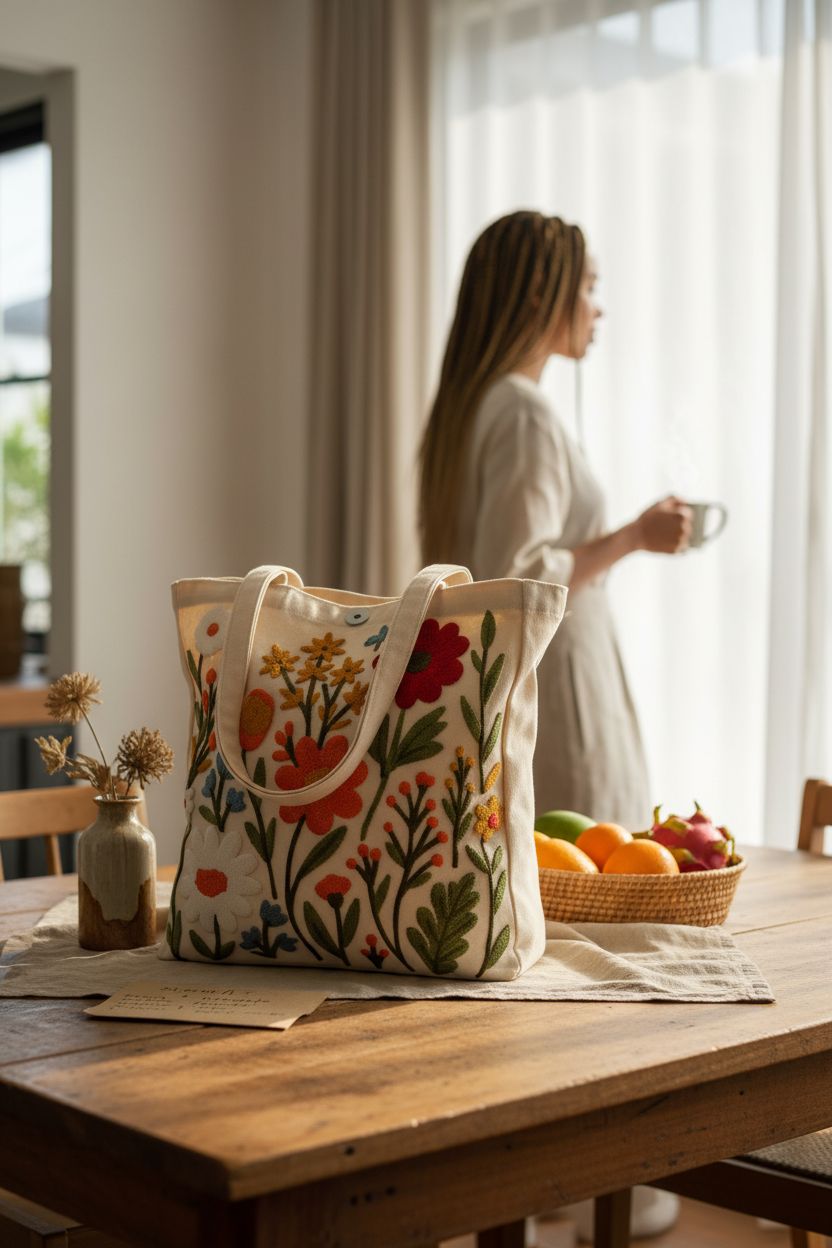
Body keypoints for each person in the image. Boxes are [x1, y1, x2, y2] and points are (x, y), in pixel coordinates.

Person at [418, 210, 692, 830]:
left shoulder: (475, 408)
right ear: (542, 293)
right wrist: (634, 536)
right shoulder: (522, 413)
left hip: (513, 691)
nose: (599, 308)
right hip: (559, 703)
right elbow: (520, 578)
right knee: (587, 872)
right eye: (589, 286)